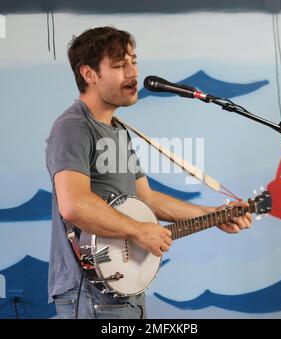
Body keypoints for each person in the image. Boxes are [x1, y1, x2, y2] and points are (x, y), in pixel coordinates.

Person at [45, 26, 252, 319]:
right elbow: (74, 205)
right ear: (89, 74)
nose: (133, 73)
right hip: (88, 295)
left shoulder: (119, 131)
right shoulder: (73, 127)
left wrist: (215, 213)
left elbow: (148, 199)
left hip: (123, 290)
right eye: (119, 65)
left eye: (133, 61)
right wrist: (139, 230)